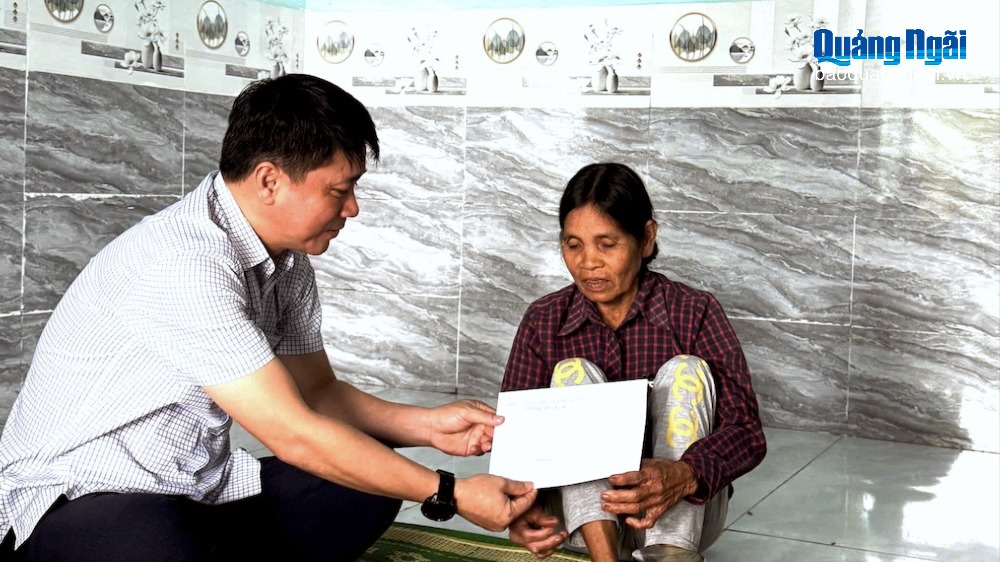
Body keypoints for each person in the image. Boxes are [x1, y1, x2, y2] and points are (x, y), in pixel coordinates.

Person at [0, 74, 537, 562]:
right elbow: (293, 434)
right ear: (268, 181)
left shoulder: (287, 261)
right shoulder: (184, 262)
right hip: (72, 502)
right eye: (339, 190)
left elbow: (318, 394)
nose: (352, 208)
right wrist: (449, 492)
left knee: (365, 482)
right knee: (162, 537)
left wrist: (426, 426)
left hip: (191, 492)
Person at [501, 163, 766, 562]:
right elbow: (516, 440)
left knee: (686, 370)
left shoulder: (694, 311)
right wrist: (518, 508)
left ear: (646, 238)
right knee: (572, 373)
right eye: (573, 245)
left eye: (606, 245)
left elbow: (747, 432)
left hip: (683, 511)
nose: (588, 262)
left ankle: (669, 552)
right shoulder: (544, 319)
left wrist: (684, 474)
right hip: (577, 522)